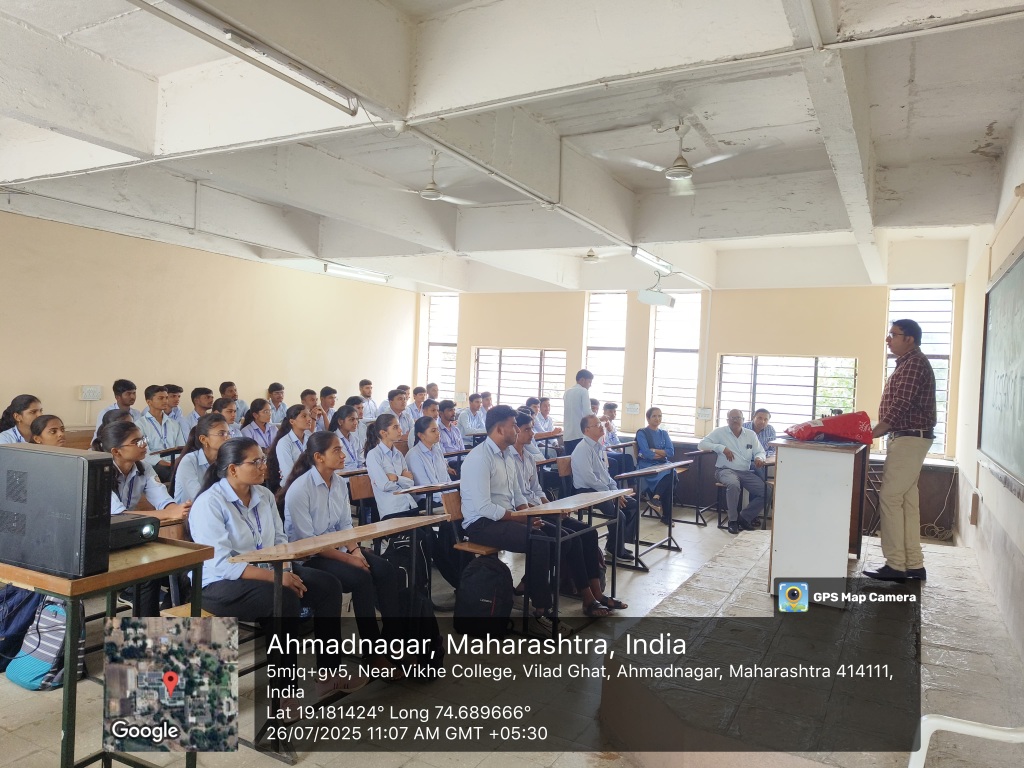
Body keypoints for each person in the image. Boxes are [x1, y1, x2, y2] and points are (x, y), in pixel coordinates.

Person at [188, 438, 360, 695]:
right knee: (282, 599)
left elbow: (280, 542)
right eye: (255, 462)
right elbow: (222, 564)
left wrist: (286, 571)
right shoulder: (210, 503)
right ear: (233, 469)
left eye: (263, 459)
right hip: (219, 583)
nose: (263, 466)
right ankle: (284, 694)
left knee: (328, 586)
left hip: (269, 568)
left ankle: (329, 673)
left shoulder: (264, 495)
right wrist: (277, 579)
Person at [280, 432, 402, 662]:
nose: (343, 455)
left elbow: (346, 525)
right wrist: (349, 559)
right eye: (336, 450)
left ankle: (393, 641)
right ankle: (373, 652)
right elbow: (310, 543)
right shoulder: (300, 489)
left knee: (385, 569)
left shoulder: (338, 482)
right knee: (361, 577)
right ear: (319, 457)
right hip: (310, 557)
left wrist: (355, 551)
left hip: (337, 548)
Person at [511, 411, 622, 615]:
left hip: (538, 508)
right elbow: (516, 497)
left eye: (532, 428)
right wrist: (541, 511)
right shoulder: (508, 458)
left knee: (589, 532)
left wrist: (551, 507)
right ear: (515, 431)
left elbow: (537, 491)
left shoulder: (528, 457)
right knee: (571, 538)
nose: (533, 434)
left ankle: (597, 593)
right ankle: (587, 597)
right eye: (527, 429)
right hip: (524, 512)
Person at [864, 320, 937, 582]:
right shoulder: (908, 362)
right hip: (909, 438)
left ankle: (896, 565)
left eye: (893, 335)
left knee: (890, 498)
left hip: (909, 439)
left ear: (909, 339)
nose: (888, 339)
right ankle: (914, 564)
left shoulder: (914, 363)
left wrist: (873, 432)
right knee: (907, 501)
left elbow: (900, 405)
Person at [99, 420, 192, 615]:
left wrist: (179, 509)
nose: (144, 445)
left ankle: (169, 619)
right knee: (149, 573)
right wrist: (168, 513)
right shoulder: (100, 472)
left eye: (143, 439)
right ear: (116, 451)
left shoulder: (143, 468)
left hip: (129, 535)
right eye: (137, 442)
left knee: (185, 569)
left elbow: (163, 500)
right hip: (102, 542)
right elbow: (118, 515)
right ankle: (146, 627)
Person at [571, 415, 639, 563]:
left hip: (601, 490)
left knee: (633, 504)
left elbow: (605, 475)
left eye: (600, 424)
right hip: (587, 491)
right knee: (618, 515)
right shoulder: (583, 449)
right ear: (587, 430)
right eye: (597, 425)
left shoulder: (598, 447)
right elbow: (589, 479)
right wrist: (610, 494)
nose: (601, 426)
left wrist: (615, 491)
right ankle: (616, 550)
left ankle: (616, 544)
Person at [698, 409, 766, 535]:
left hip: (745, 472)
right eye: (732, 418)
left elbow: (760, 451)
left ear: (743, 420)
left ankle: (744, 518)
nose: (735, 420)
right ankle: (733, 521)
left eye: (738, 418)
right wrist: (721, 448)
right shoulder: (720, 432)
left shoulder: (750, 434)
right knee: (734, 484)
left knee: (767, 491)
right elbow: (702, 444)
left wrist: (759, 458)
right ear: (727, 420)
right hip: (725, 470)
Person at [364, 413, 418, 521]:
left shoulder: (398, 454)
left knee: (429, 530)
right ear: (383, 433)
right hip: (392, 511)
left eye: (399, 426)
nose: (400, 430)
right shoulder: (374, 455)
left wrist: (396, 478)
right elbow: (384, 485)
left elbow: (410, 483)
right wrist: (402, 478)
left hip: (410, 505)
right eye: (395, 427)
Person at [171, 413, 231, 504]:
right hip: (191, 510)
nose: (228, 438)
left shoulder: (226, 460)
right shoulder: (189, 461)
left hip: (218, 507)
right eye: (221, 434)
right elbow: (198, 497)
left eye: (228, 433)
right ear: (203, 439)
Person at [636, 407, 677, 525]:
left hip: (662, 464)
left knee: (671, 472)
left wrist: (654, 450)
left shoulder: (664, 433)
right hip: (646, 464)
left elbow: (671, 452)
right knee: (671, 475)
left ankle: (656, 498)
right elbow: (646, 453)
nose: (657, 418)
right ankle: (666, 516)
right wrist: (661, 453)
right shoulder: (642, 432)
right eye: (654, 416)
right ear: (648, 418)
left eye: (659, 416)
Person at [137, 385, 187, 482]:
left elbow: (181, 447)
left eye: (166, 398)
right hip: (154, 465)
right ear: (149, 402)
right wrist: (161, 462)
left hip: (173, 462)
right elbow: (142, 450)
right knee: (171, 473)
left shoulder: (173, 424)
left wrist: (176, 461)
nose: (165, 401)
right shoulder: (140, 425)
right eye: (161, 398)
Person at [267, 405, 313, 492]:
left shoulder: (310, 438)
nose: (309, 419)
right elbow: (288, 473)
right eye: (304, 416)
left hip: (311, 484)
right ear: (292, 421)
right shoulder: (284, 442)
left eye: (309, 415)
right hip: (292, 488)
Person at [562, 369, 594, 455]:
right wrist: (599, 420)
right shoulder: (583, 391)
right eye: (589, 382)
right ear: (582, 380)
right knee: (581, 460)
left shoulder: (567, 392)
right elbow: (587, 413)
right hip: (579, 434)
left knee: (570, 460)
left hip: (567, 435)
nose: (590, 385)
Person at [601, 402, 636, 477]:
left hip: (612, 450)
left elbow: (616, 441)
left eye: (614, 412)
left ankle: (631, 482)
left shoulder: (613, 425)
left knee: (626, 460)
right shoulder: (600, 425)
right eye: (610, 411)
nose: (613, 414)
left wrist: (621, 449)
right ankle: (630, 483)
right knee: (627, 458)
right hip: (604, 451)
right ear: (604, 412)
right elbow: (601, 442)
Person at [328, 406, 365, 471]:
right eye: (352, 419)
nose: (356, 423)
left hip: (357, 473)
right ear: (340, 422)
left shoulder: (355, 439)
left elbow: (360, 461)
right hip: (342, 475)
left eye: (357, 419)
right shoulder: (332, 440)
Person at [743, 408, 776, 477]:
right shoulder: (743, 427)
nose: (762, 421)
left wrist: (761, 457)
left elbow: (773, 450)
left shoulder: (770, 429)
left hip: (762, 460)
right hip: (744, 460)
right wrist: (756, 457)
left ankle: (763, 483)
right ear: (753, 417)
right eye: (759, 418)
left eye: (765, 419)